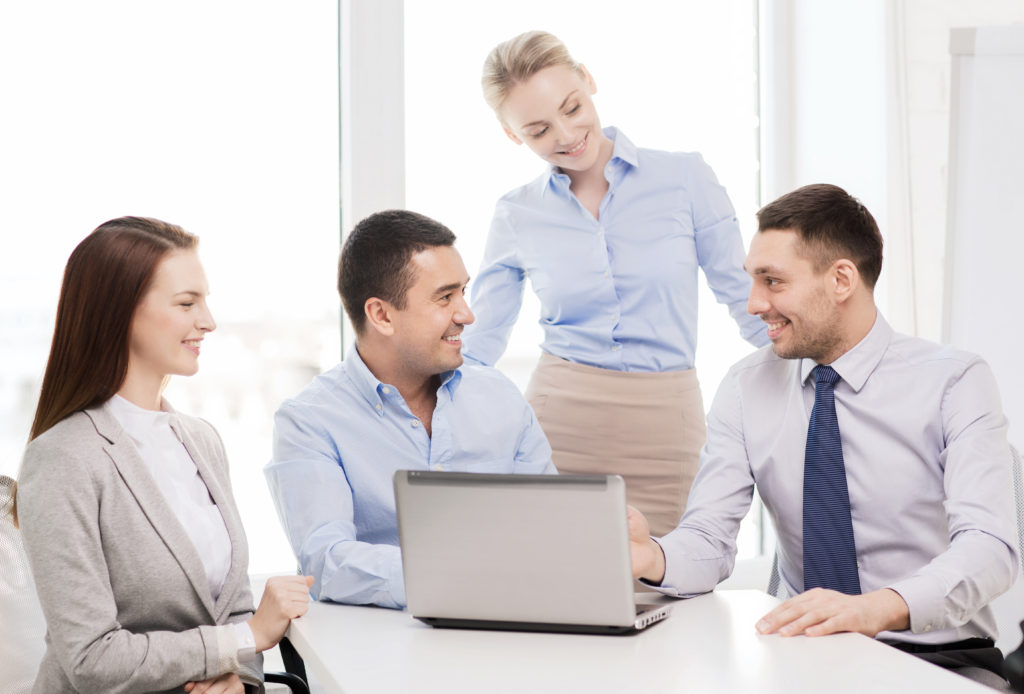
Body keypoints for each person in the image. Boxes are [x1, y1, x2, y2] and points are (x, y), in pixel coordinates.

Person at [629, 184, 1019, 686]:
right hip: (801, 657)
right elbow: (709, 537)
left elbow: (989, 549)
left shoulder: (955, 381)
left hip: (938, 657)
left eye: (772, 281)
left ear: (840, 279)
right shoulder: (746, 386)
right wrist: (654, 557)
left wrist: (875, 609)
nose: (753, 304)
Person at [463, 30, 769, 536]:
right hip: (558, 424)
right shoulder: (516, 213)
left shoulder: (685, 178)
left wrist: (821, 376)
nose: (565, 135)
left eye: (572, 107)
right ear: (512, 134)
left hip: (667, 421)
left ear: (588, 80)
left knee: (664, 585)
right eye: (538, 130)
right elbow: (480, 343)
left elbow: (746, 300)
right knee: (554, 585)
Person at [15, 217, 313, 694]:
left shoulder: (202, 441)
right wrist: (242, 640)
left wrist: (239, 681)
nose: (209, 321)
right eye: (186, 303)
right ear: (121, 312)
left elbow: (233, 609)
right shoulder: (62, 459)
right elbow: (91, 659)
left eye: (206, 301)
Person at [265, 209, 556, 610]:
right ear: (381, 315)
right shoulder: (309, 421)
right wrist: (460, 576)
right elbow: (327, 561)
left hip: (514, 628)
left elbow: (549, 530)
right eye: (444, 297)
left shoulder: (500, 397)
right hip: (385, 647)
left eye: (463, 293)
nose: (466, 316)